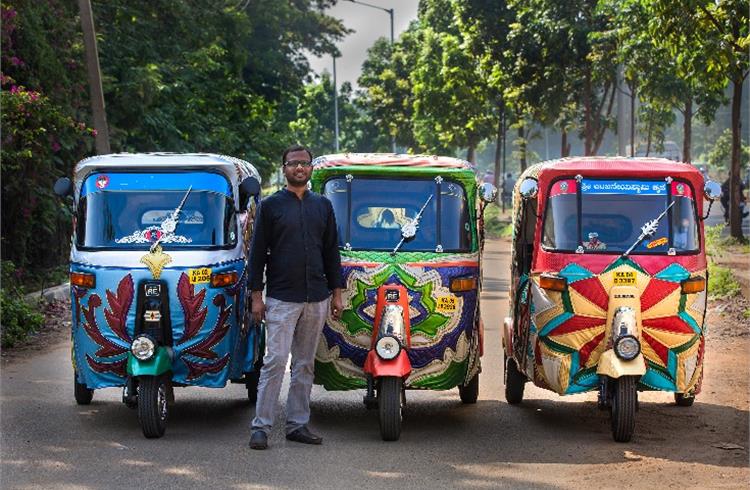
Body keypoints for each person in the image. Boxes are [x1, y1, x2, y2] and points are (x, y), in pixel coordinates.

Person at [248, 144, 344, 450]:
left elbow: (331, 252)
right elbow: (257, 254)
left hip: (317, 297)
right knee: (275, 361)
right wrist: (256, 297)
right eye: (293, 164)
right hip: (281, 298)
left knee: (304, 364)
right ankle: (261, 426)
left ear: (311, 168)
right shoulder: (271, 205)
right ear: (284, 169)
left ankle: (297, 424)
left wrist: (337, 294)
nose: (299, 168)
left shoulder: (323, 206)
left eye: (304, 163)